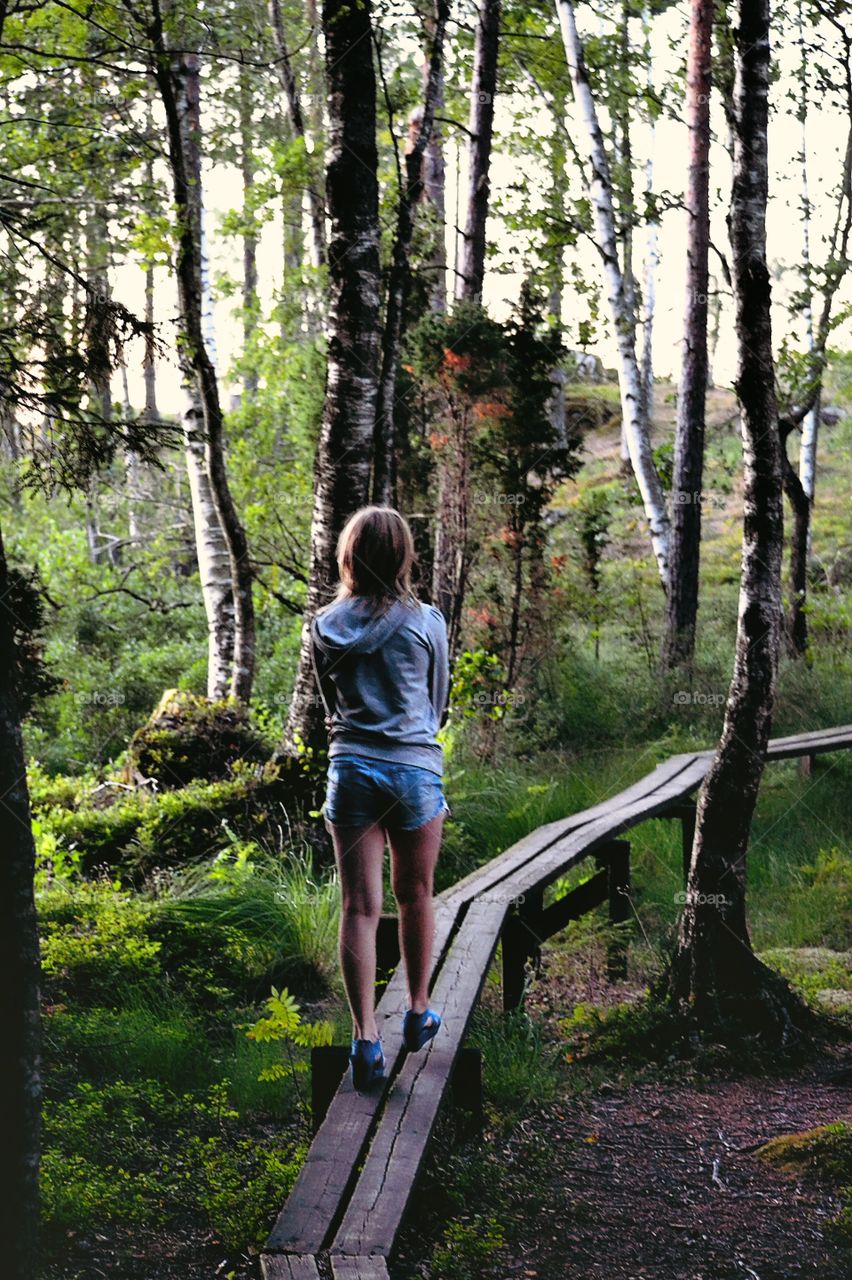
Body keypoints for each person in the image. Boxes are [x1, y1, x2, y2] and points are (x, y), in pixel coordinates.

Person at [310, 505, 451, 1092]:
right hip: (414, 769)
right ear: (403, 556)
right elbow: (437, 706)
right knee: (416, 894)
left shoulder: (322, 625)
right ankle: (418, 1011)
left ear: (348, 555)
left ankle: (365, 1038)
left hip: (352, 771)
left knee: (359, 908)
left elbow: (329, 707)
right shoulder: (429, 623)